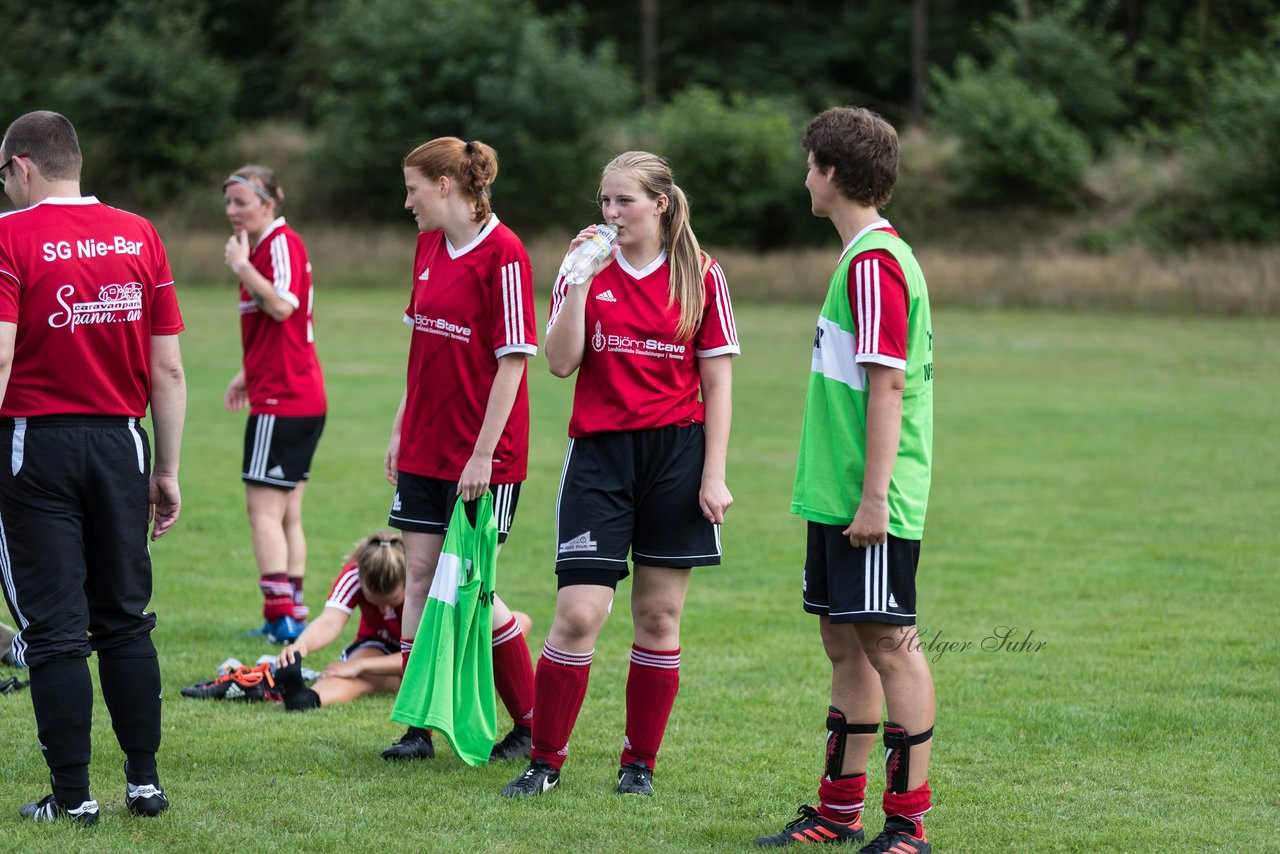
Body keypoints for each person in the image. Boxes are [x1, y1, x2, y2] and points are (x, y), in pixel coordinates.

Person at [501, 151, 738, 799]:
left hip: (677, 458)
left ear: (660, 203)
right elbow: (558, 363)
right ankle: (545, 761)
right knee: (578, 615)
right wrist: (578, 282)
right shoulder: (585, 268)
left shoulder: (701, 275)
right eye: (603, 202)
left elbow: (717, 382)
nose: (610, 214)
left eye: (623, 202)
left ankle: (639, 764)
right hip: (600, 459)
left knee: (659, 618)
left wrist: (712, 474)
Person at [753, 107, 936, 852]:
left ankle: (908, 825)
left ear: (831, 172)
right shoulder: (860, 258)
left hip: (869, 498)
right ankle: (837, 811)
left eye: (809, 164)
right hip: (837, 493)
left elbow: (886, 386)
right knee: (844, 641)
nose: (804, 176)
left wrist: (873, 499)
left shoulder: (874, 264)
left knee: (889, 642)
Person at [0, 110, 186, 824]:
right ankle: (143, 783)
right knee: (123, 620)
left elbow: (2, 352)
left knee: (54, 628)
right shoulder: (140, 234)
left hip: (33, 443)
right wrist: (164, 469)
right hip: (122, 442)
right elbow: (166, 367)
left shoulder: (9, 235)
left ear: (21, 165)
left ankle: (74, 798)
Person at [383, 137, 538, 764]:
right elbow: (421, 347)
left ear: (446, 186)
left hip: (484, 458)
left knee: (471, 585)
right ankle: (417, 725)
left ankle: (531, 723)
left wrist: (481, 455)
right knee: (418, 577)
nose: (407, 201)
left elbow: (514, 364)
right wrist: (400, 426)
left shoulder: (505, 255)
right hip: (424, 444)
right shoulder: (426, 246)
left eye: (413, 189)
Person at [222, 165, 326, 645]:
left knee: (262, 511)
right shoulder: (268, 248)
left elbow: (284, 305)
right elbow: (285, 324)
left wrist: (243, 269)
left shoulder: (277, 245)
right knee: (287, 513)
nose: (232, 211)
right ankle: (292, 611)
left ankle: (280, 615)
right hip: (293, 393)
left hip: (283, 399)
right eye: (228, 203)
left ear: (268, 202)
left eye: (241, 201)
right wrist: (247, 371)